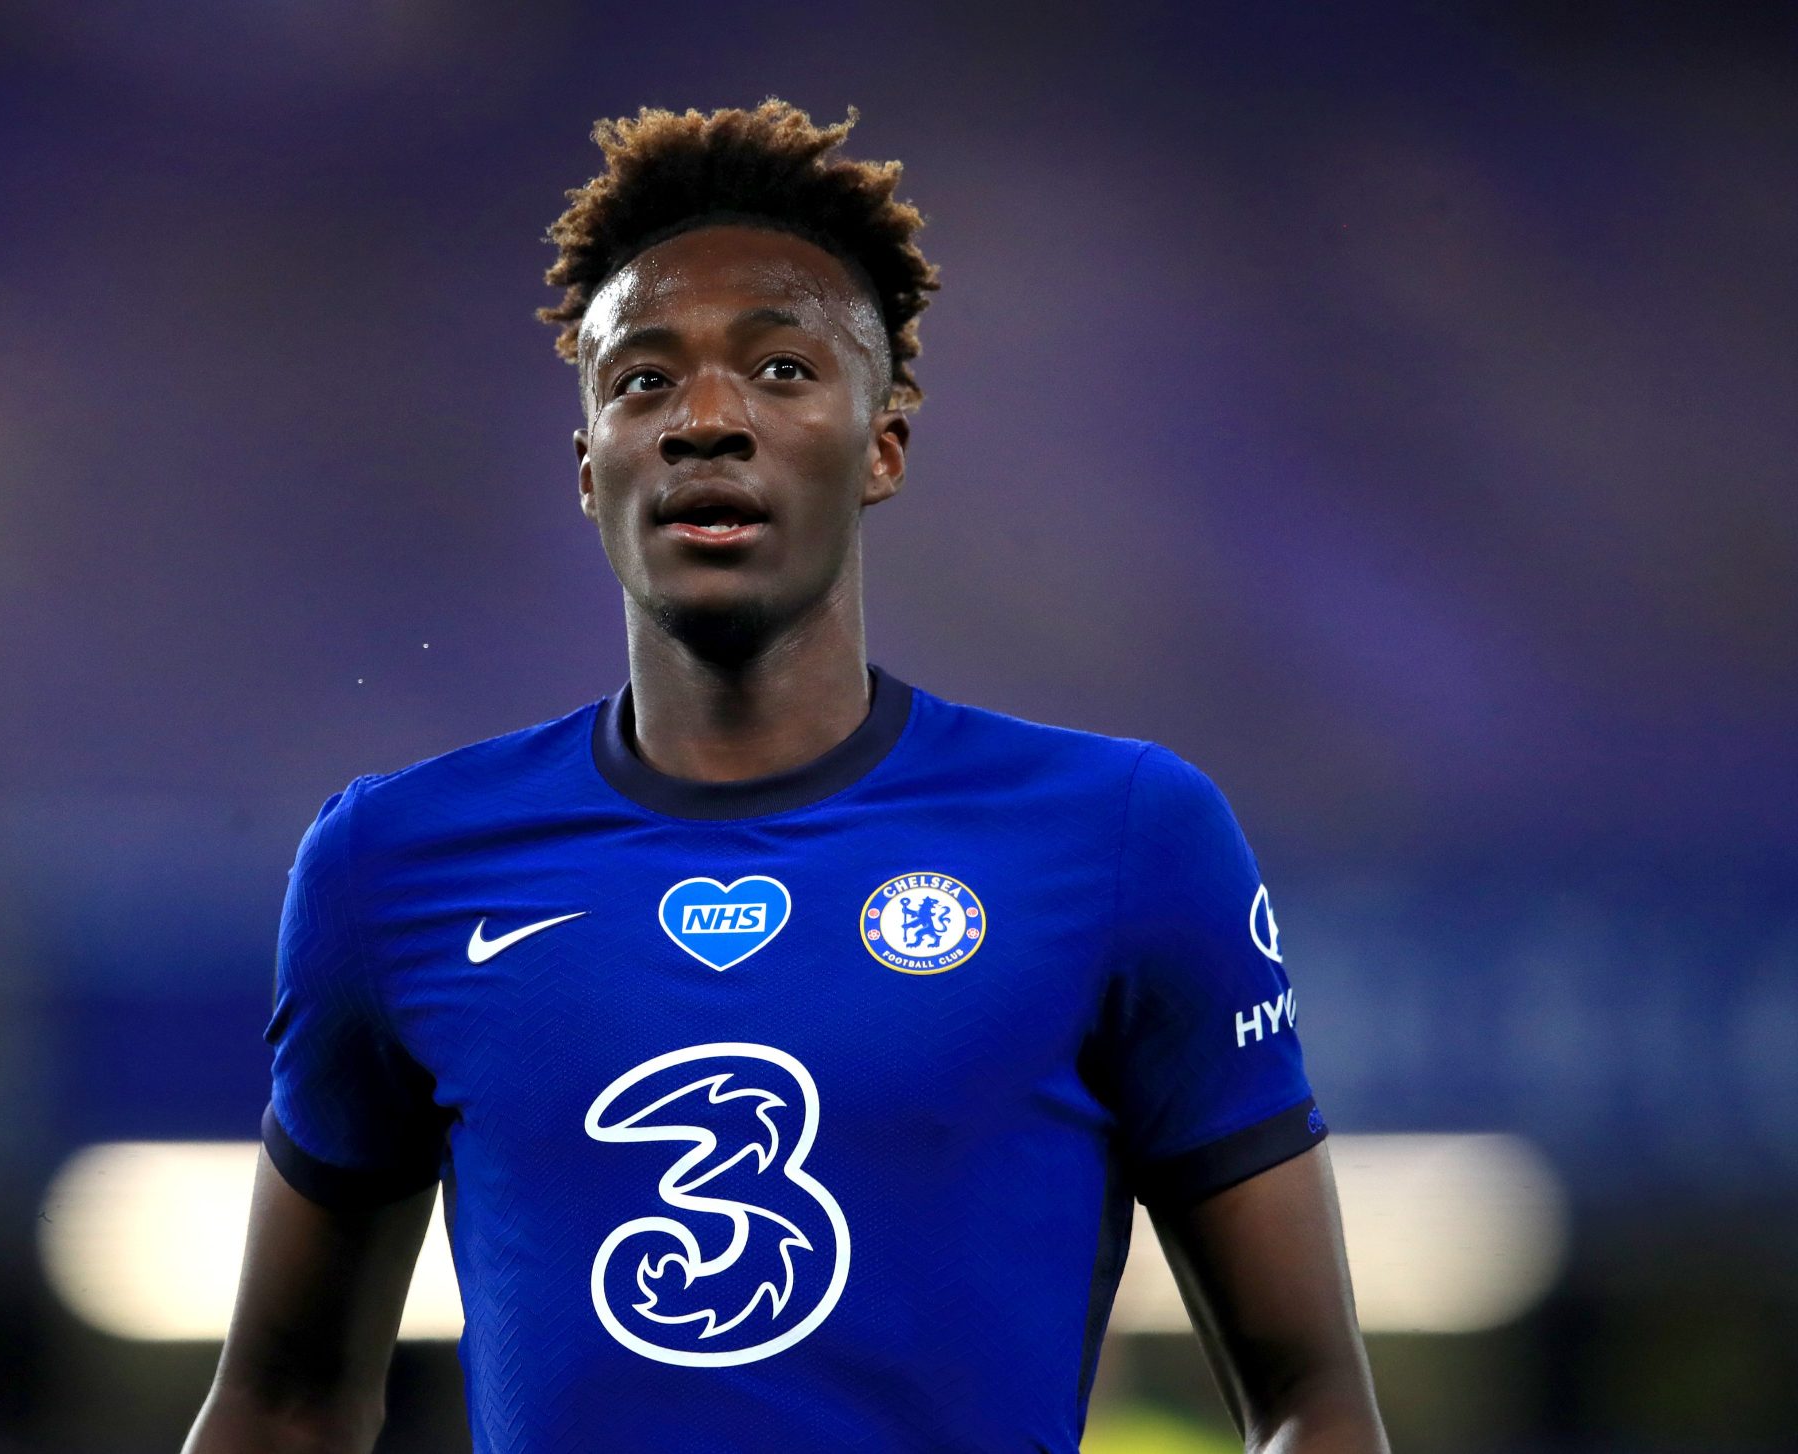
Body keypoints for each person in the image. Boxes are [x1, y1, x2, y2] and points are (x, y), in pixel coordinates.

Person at [185, 99, 1388, 1454]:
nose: (707, 418)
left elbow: (1313, 1403)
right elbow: (282, 1405)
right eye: (643, 380)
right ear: (588, 467)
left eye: (780, 368)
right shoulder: (392, 866)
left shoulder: (1124, 836)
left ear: (882, 446)